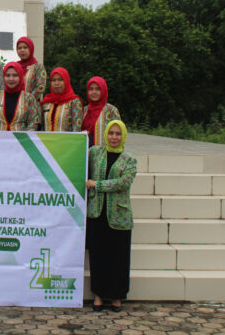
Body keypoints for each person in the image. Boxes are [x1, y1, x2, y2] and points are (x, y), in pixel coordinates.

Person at [86, 120, 137, 312]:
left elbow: (123, 183)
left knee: (118, 258)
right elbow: (80, 151)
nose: (114, 137)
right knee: (98, 256)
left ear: (123, 136)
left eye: (118, 134)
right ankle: (98, 296)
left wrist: (97, 185)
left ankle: (117, 298)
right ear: (105, 134)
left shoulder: (129, 159)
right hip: (97, 214)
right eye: (111, 133)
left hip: (119, 217)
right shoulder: (95, 153)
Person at [0, 62, 41, 131]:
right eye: (8, 75)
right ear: (3, 77)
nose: (11, 79)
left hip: (21, 140)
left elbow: (33, 123)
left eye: (15, 75)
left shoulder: (29, 98)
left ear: (20, 76)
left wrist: (22, 140)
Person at [81, 76, 122, 147]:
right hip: (84, 152)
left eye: (97, 89)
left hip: (104, 154)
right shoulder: (84, 111)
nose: (94, 92)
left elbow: (119, 134)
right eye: (91, 89)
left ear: (103, 90)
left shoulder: (111, 110)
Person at [40, 67, 83, 131]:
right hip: (46, 141)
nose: (56, 83)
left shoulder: (74, 102)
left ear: (66, 81)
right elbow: (41, 129)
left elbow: (76, 130)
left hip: (67, 140)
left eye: (60, 80)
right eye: (53, 80)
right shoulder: (46, 103)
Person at [16, 36, 48, 102]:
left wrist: (26, 100)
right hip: (16, 106)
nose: (22, 50)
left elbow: (40, 87)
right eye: (19, 48)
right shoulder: (15, 66)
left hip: (32, 106)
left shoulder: (38, 67)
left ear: (31, 49)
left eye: (25, 47)